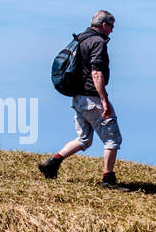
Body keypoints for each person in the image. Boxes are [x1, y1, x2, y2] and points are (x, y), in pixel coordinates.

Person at [38, 10, 125, 188]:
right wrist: (104, 100)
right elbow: (96, 72)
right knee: (112, 139)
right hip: (92, 98)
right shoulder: (98, 42)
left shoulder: (81, 38)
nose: (112, 31)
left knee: (84, 138)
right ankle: (108, 179)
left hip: (78, 98)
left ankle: (52, 163)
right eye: (111, 26)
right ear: (104, 25)